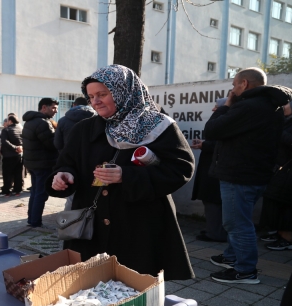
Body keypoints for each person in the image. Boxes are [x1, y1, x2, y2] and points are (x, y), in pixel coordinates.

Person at [48, 64, 195, 280]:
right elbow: (65, 163)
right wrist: (64, 176)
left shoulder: (159, 126)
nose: (95, 101)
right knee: (89, 287)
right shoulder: (83, 129)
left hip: (139, 225)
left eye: (102, 94)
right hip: (92, 227)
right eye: (90, 96)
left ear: (124, 92)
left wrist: (127, 176)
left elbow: (181, 168)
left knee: (135, 288)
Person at [205, 67, 292, 284]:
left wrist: (226, 107)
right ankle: (232, 257)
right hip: (254, 174)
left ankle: (245, 271)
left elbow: (212, 130)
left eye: (234, 85)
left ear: (244, 84)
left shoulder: (248, 106)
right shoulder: (270, 106)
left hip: (240, 175)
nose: (232, 90)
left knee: (237, 224)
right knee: (239, 221)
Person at [258, 98, 292, 251]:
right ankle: (279, 233)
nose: (283, 107)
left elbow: (281, 136)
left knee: (283, 202)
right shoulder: (287, 119)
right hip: (281, 166)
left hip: (290, 169)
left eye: (287, 104)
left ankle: (287, 238)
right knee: (275, 200)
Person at [190, 98, 227, 242]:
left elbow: (221, 145)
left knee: (213, 201)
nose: (213, 109)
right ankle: (214, 229)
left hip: (215, 169)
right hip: (212, 167)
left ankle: (215, 233)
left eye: (217, 107)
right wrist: (204, 144)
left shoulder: (226, 121)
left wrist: (205, 145)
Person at [22, 97, 59, 228]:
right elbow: (52, 144)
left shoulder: (30, 121)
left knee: (35, 192)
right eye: (53, 108)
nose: (55, 111)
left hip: (32, 163)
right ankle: (35, 221)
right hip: (43, 163)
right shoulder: (43, 123)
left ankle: (31, 219)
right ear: (44, 107)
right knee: (41, 193)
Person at [54, 97, 96, 210]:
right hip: (93, 162)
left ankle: (70, 224)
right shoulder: (98, 119)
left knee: (72, 197)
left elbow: (57, 144)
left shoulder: (63, 120)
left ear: (73, 105)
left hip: (70, 163)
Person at [0, 113, 24, 197]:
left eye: (7, 120)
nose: (6, 122)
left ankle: (6, 191)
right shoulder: (21, 128)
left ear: (10, 121)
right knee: (18, 173)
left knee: (7, 174)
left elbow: (4, 141)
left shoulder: (6, 130)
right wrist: (20, 147)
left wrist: (15, 148)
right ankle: (17, 190)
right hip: (19, 154)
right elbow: (25, 139)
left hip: (9, 155)